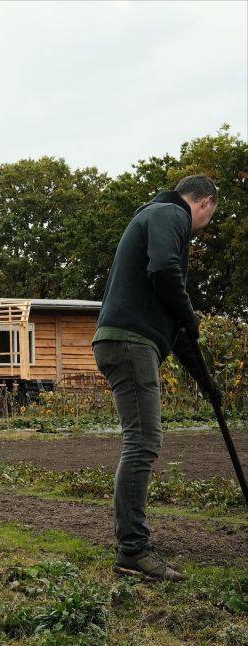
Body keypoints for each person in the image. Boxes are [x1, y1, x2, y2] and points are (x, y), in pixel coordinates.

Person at [93, 175, 220, 582]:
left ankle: (132, 545)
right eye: (210, 217)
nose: (204, 226)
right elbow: (166, 271)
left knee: (142, 441)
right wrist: (188, 313)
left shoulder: (159, 222)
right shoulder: (169, 213)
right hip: (129, 343)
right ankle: (132, 549)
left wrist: (209, 387)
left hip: (132, 342)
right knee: (143, 441)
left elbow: (181, 334)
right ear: (205, 203)